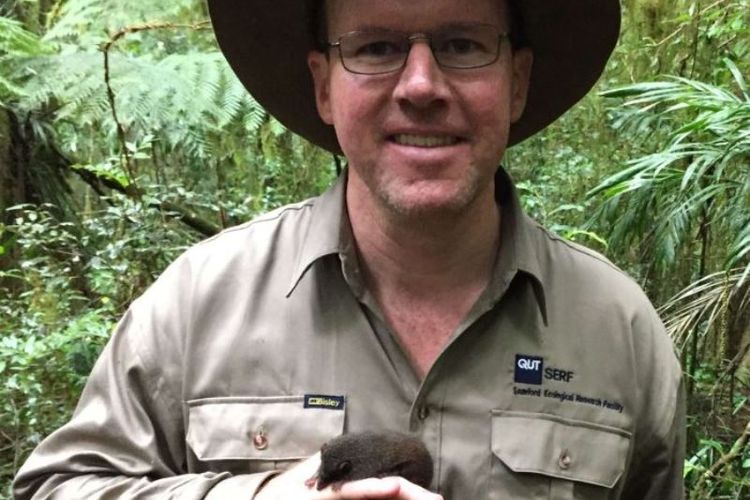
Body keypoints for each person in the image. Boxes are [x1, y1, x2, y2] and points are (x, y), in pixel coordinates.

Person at [13, 0, 685, 498]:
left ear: (517, 79)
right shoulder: (199, 304)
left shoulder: (618, 331)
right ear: (322, 85)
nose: (421, 86)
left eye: (462, 43)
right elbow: (56, 488)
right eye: (374, 48)